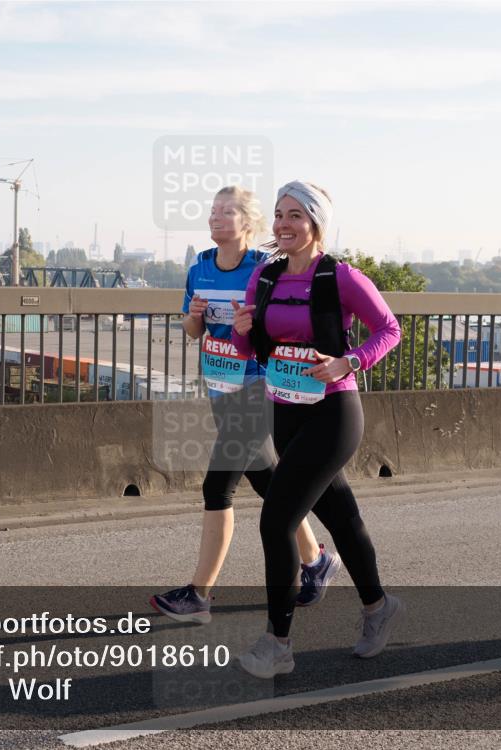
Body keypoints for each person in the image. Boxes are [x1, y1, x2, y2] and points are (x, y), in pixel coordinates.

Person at [230, 180, 404, 677]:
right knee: (342, 516)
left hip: (334, 413)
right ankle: (378, 608)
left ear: (315, 224)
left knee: (277, 520)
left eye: (295, 216)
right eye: (279, 215)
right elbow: (252, 352)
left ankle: (277, 644)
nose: (283, 224)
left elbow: (390, 330)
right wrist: (242, 333)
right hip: (285, 409)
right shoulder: (264, 279)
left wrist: (348, 361)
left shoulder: (342, 277)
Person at [150, 185, 342, 625]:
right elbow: (191, 330)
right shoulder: (200, 266)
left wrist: (250, 327)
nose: (217, 218)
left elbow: (280, 330)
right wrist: (195, 317)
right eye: (213, 211)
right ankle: (315, 562)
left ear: (248, 222)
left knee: (217, 487)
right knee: (270, 485)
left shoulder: (265, 269)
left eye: (227, 211)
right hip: (221, 386)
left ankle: (199, 595)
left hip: (258, 388)